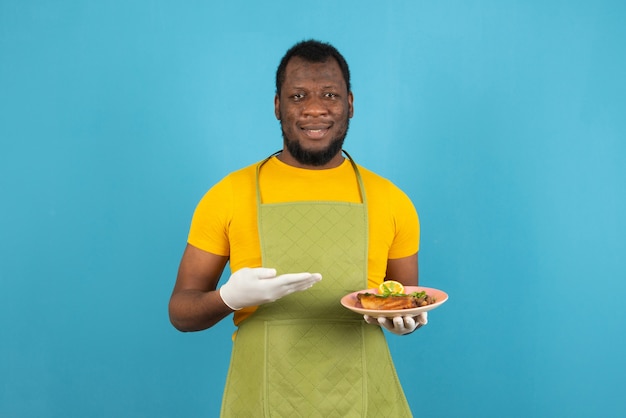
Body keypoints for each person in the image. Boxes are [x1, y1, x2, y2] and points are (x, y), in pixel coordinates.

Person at [169, 39, 427, 417]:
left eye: (329, 95)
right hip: (262, 398)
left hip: (363, 400)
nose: (315, 108)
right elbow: (181, 311)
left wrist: (405, 321)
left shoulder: (391, 200)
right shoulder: (228, 194)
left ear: (350, 104)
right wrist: (228, 298)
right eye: (298, 96)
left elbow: (405, 300)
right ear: (277, 106)